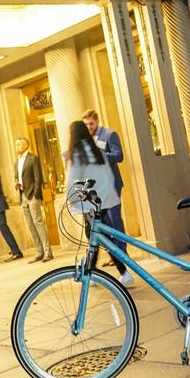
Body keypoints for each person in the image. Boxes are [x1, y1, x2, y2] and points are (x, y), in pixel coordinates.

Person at [65, 120, 133, 286]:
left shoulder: (76, 155)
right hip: (103, 202)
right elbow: (108, 178)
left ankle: (119, 272)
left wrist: (73, 201)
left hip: (90, 205)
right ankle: (97, 272)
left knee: (98, 237)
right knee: (99, 238)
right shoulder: (98, 151)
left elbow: (72, 182)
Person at [83, 109, 129, 267]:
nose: (89, 127)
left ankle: (123, 255)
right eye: (86, 125)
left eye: (91, 124)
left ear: (97, 121)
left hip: (112, 184)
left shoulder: (110, 135)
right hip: (98, 188)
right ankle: (115, 256)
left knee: (115, 220)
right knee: (105, 224)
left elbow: (119, 155)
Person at [13, 138, 51, 263]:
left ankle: (47, 251)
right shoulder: (16, 162)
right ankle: (39, 251)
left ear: (25, 145)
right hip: (22, 195)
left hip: (32, 195)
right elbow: (17, 177)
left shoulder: (33, 158)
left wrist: (35, 194)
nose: (16, 146)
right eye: (16, 145)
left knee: (38, 222)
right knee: (30, 224)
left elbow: (38, 178)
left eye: (18, 144)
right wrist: (16, 184)